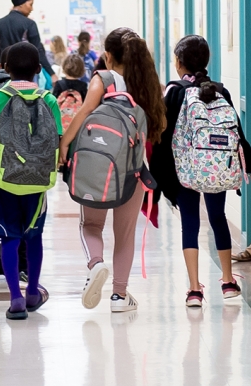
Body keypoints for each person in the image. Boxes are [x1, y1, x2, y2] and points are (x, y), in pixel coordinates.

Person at [150, 35, 251, 306]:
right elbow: (237, 131)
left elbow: (163, 137)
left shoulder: (175, 91)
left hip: (186, 170)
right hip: (217, 169)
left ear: (179, 62)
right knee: (218, 218)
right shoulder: (220, 90)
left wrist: (156, 177)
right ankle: (227, 281)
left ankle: (194, 290)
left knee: (189, 223)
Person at [59, 28, 167, 313]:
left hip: (97, 168)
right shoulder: (147, 83)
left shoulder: (103, 79)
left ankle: (96, 264)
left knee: (91, 225)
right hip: (133, 170)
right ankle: (119, 295)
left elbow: (83, 116)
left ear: (107, 55)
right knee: (125, 233)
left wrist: (64, 145)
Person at [0, 42, 64, 320]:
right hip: (37, 183)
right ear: (39, 69)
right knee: (34, 236)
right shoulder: (48, 100)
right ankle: (33, 291)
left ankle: (15, 297)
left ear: (3, 68)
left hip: (3, 182)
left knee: (10, 237)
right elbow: (57, 140)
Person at [0, 0, 57, 83]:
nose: (32, 8)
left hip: (3, 73)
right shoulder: (29, 24)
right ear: (22, 3)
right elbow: (39, 51)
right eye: (31, 4)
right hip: (24, 74)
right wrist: (52, 73)